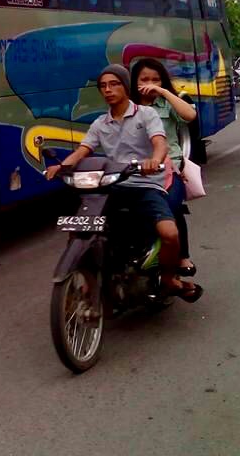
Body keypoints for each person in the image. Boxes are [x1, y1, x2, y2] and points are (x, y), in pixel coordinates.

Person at [45, 64, 203, 301]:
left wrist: (154, 160)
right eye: (103, 86)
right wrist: (62, 167)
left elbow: (159, 143)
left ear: (126, 87)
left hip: (146, 184)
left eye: (114, 84)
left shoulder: (146, 114)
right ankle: (86, 276)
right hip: (113, 185)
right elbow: (82, 151)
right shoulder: (100, 123)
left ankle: (169, 279)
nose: (108, 90)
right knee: (81, 227)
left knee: (169, 233)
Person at [130, 58, 197, 277]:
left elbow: (190, 115)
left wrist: (164, 92)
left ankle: (182, 256)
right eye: (144, 79)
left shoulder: (167, 103)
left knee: (170, 207)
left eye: (155, 79)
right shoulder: (128, 106)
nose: (149, 84)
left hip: (169, 168)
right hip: (135, 170)